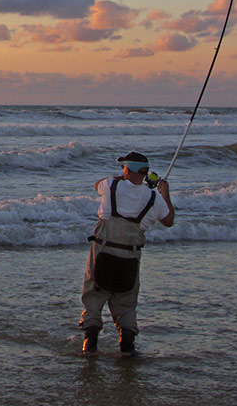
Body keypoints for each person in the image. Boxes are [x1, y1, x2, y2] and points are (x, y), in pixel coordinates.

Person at [79, 151, 174, 356]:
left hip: (103, 251)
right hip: (130, 258)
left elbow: (97, 184)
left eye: (123, 167)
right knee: (126, 303)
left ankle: (90, 344)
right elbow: (168, 220)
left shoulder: (111, 185)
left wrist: (125, 179)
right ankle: (127, 346)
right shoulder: (154, 198)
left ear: (127, 170)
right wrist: (163, 191)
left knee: (93, 297)